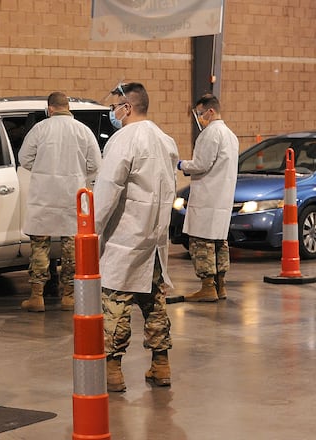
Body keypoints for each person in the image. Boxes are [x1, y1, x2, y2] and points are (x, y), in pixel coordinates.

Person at [93, 82, 178, 392]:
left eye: (115, 107)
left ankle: (113, 371)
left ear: (126, 108)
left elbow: (108, 190)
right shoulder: (165, 139)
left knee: (115, 303)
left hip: (124, 237)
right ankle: (161, 365)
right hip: (154, 237)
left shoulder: (123, 140)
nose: (113, 112)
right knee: (154, 302)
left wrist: (91, 229)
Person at [18, 91, 102, 312]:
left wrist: (42, 169)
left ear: (50, 109)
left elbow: (24, 158)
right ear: (68, 107)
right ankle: (69, 296)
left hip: (43, 198)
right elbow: (95, 164)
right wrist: (77, 173)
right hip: (72, 198)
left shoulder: (40, 129)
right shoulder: (83, 131)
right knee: (71, 249)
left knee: (39, 246)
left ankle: (37, 297)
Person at [174, 94, 239, 302]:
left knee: (201, 243)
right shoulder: (231, 135)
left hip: (207, 198)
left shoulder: (210, 134)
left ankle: (207, 287)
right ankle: (221, 285)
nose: (199, 118)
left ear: (210, 111)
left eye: (200, 113)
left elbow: (201, 164)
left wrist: (181, 164)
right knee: (219, 243)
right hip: (222, 199)